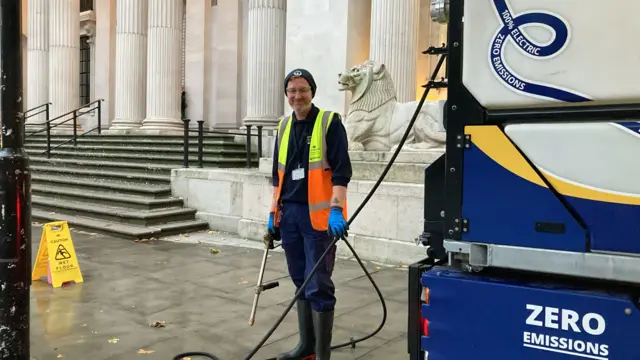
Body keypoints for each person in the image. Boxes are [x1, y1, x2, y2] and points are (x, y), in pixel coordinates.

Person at [267, 68, 352, 360]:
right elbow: (277, 177)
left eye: (303, 89)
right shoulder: (283, 126)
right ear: (287, 95)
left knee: (318, 283)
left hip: (319, 218)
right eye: (292, 90)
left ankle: (323, 356)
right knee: (299, 279)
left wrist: (337, 210)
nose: (297, 96)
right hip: (289, 215)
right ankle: (307, 347)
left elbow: (342, 172)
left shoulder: (329, 123)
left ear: (312, 92)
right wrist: (272, 214)